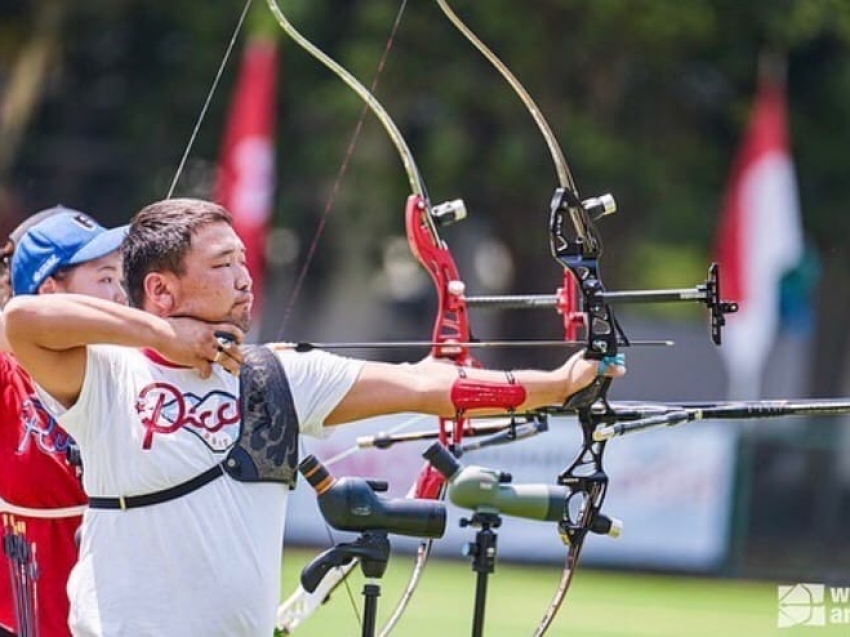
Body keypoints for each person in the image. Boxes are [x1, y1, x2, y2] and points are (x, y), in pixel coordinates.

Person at [3, 198, 625, 637]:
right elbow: (20, 322)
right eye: (222, 266)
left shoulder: (276, 374)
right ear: (162, 290)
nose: (245, 280)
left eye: (243, 262)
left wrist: (556, 384)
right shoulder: (110, 377)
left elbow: (427, 385)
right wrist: (162, 338)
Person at [0, 207, 127, 637]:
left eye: (119, 280)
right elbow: (14, 324)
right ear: (52, 291)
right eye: (105, 279)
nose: (121, 298)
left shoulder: (131, 378)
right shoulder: (6, 377)